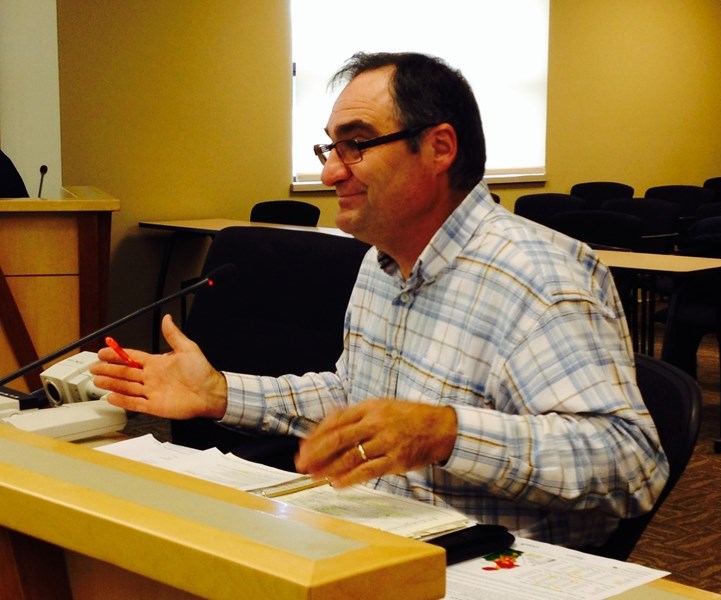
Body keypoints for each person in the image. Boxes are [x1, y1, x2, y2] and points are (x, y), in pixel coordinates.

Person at [91, 51, 668, 549]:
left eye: (358, 145)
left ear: (439, 147)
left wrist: (446, 433)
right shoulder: (381, 260)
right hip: (382, 539)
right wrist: (220, 392)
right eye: (329, 148)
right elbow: (356, 396)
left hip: (489, 566)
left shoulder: (537, 275)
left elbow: (630, 463)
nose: (330, 172)